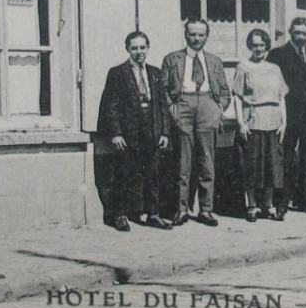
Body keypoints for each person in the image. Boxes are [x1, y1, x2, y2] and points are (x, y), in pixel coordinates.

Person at [97, 31, 171, 231]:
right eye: (134, 48)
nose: (139, 52)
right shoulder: (118, 73)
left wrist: (164, 132)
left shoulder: (155, 73)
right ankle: (120, 215)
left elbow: (163, 105)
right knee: (124, 173)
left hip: (151, 130)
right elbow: (109, 105)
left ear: (148, 48)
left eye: (142, 47)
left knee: (152, 173)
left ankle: (153, 213)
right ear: (127, 49)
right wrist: (116, 133)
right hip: (128, 132)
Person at [161, 18, 231, 227]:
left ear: (207, 36)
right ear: (186, 35)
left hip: (208, 105)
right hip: (182, 104)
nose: (197, 38)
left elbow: (225, 90)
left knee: (206, 162)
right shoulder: (172, 59)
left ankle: (206, 210)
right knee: (183, 162)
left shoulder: (215, 61)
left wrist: (219, 109)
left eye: (201, 35)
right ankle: (182, 209)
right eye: (193, 34)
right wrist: (172, 108)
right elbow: (163, 88)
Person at [267, 17, 306, 215]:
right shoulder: (277, 54)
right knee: (286, 157)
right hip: (288, 115)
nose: (300, 37)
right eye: (296, 33)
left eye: (304, 33)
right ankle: (282, 201)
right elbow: (272, 86)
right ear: (290, 33)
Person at [233, 28, 289, 222]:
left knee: (272, 165)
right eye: (255, 45)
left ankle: (269, 205)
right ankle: (252, 206)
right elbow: (238, 98)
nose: (259, 49)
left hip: (273, 121)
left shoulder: (274, 68)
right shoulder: (243, 67)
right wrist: (241, 123)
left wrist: (284, 122)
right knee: (252, 166)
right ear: (250, 46)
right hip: (253, 120)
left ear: (266, 46)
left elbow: (281, 97)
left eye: (262, 45)